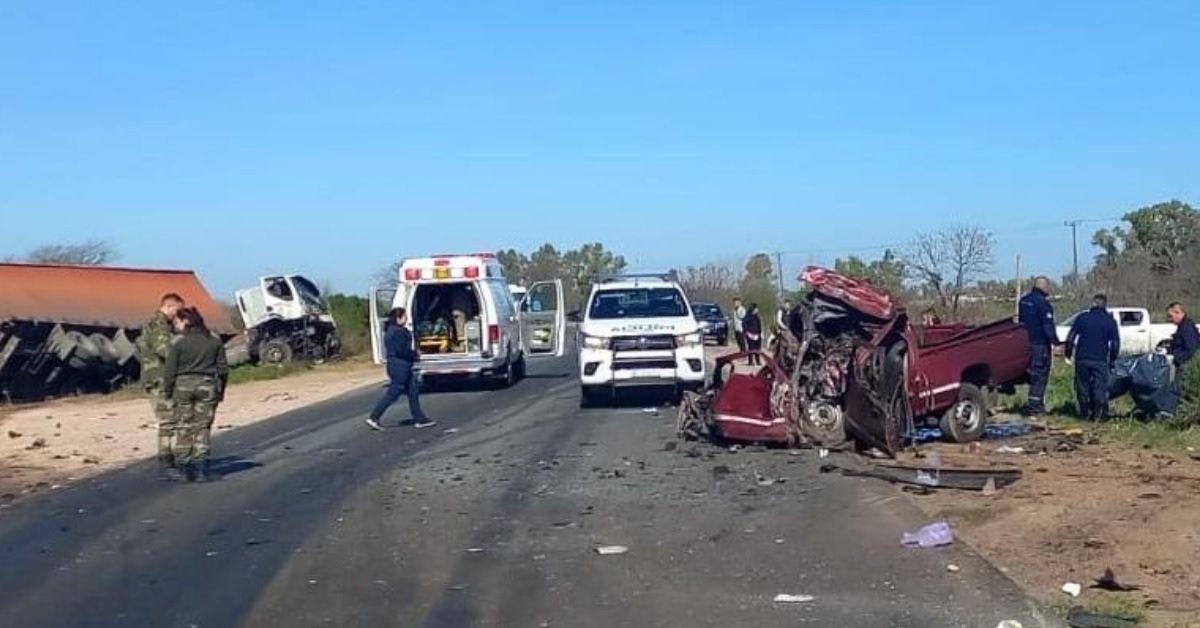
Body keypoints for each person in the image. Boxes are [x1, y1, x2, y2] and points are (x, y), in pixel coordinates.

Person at [162, 307, 228, 482]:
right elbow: (223, 370)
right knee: (202, 427)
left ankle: (184, 469)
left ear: (186, 322)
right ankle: (201, 469)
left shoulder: (178, 342)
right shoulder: (214, 341)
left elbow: (170, 370)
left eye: (178, 322)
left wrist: (167, 391)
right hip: (207, 385)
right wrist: (221, 391)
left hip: (182, 386)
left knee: (183, 426)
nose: (176, 325)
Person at [136, 292, 185, 480]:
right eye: (177, 311)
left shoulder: (157, 324)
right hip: (159, 379)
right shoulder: (159, 325)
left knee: (171, 418)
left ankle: (170, 459)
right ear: (169, 307)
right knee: (167, 420)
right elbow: (164, 350)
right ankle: (166, 462)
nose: (177, 315)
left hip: (159, 377)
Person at [366, 307, 435, 430]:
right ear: (398, 318)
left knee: (413, 390)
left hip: (400, 365)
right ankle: (374, 417)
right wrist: (415, 354)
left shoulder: (392, 331)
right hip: (400, 366)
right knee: (393, 393)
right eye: (404, 316)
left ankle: (419, 418)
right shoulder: (397, 332)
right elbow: (401, 350)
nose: (406, 319)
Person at [1065, 294, 1120, 420]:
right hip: (1100, 359)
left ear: (1093, 303)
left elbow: (1070, 338)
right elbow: (1115, 344)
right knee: (1099, 387)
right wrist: (1112, 360)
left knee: (1082, 386)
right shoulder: (1110, 321)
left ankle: (1084, 413)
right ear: (1105, 304)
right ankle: (1098, 415)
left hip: (1082, 358)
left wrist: (1068, 354)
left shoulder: (1082, 318)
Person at [1018, 276, 1060, 415]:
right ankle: (1035, 407)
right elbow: (1048, 326)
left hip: (1024, 344)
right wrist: (1055, 342)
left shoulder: (1024, 301)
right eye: (1049, 287)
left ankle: (1032, 404)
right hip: (1040, 345)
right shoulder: (1043, 304)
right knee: (1040, 375)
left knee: (1031, 374)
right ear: (1044, 286)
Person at [1167, 303, 1199, 367]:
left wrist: (1174, 357)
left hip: (1187, 367)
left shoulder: (1187, 328)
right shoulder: (1182, 326)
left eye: (1170, 316)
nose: (1169, 319)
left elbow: (1191, 351)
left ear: (1178, 313)